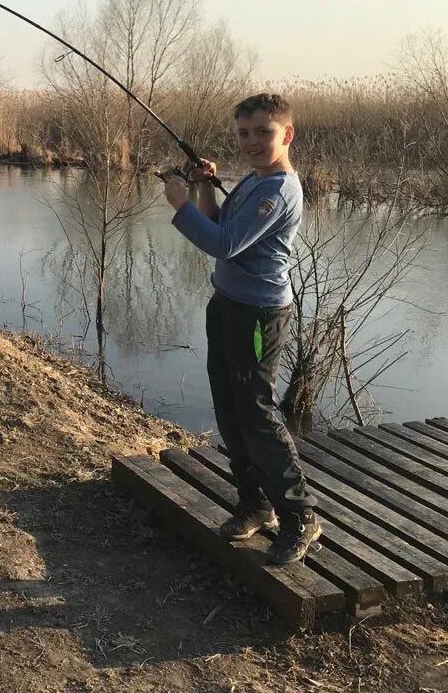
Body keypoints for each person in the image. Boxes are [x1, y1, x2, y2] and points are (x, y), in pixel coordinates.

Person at [161, 92, 320, 565]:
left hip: (258, 315)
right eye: (244, 133)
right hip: (227, 305)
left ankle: (300, 515)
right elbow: (219, 222)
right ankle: (255, 504)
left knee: (256, 412)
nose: (252, 142)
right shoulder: (254, 181)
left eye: (263, 133)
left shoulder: (278, 191)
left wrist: (178, 203)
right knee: (229, 409)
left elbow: (224, 244)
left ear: (286, 134)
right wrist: (204, 188)